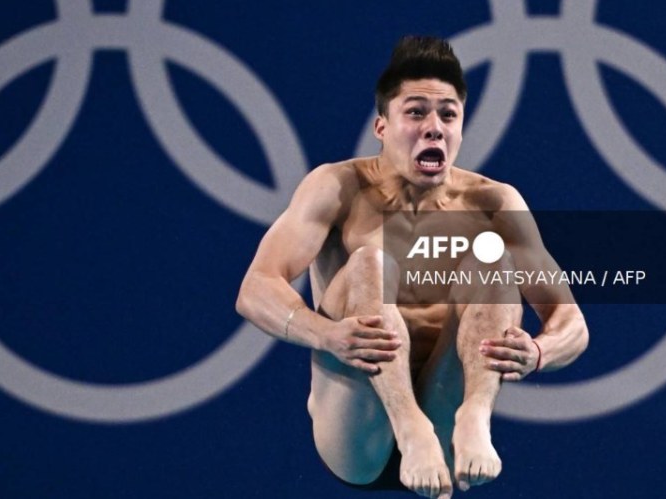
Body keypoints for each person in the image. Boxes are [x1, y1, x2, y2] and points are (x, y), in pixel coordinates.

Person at [235, 36, 588, 498]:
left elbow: (571, 320)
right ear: (382, 126)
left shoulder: (494, 203)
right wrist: (324, 335)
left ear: (461, 128)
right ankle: (407, 426)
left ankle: (474, 414)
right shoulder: (338, 187)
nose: (434, 127)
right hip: (355, 429)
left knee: (494, 259)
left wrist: (539, 352)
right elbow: (256, 288)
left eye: (448, 115)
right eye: (416, 112)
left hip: (444, 425)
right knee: (369, 264)